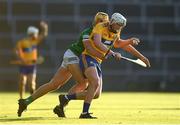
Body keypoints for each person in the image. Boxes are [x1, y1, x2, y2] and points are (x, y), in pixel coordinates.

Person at [56, 13, 151, 119]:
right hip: (88, 57)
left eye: (121, 26)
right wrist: (112, 53)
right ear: (112, 22)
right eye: (118, 25)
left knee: (96, 94)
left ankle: (66, 98)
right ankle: (84, 113)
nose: (119, 28)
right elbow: (97, 42)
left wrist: (141, 56)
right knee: (94, 82)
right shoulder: (100, 26)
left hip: (98, 61)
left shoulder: (116, 31)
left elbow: (118, 43)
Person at [17, 12, 112, 117]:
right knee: (82, 83)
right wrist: (104, 55)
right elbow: (89, 49)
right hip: (73, 55)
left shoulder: (101, 35)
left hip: (72, 56)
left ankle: (26, 102)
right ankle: (62, 105)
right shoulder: (88, 32)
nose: (104, 26)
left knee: (54, 84)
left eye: (105, 23)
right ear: (97, 22)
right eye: (102, 23)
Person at [15, 21, 48, 99]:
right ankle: (21, 98)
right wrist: (20, 59)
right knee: (22, 82)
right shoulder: (22, 42)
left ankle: (31, 98)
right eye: (36, 34)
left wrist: (45, 28)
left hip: (32, 65)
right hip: (23, 65)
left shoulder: (34, 41)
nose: (37, 35)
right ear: (31, 34)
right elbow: (16, 51)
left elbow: (43, 35)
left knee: (32, 84)